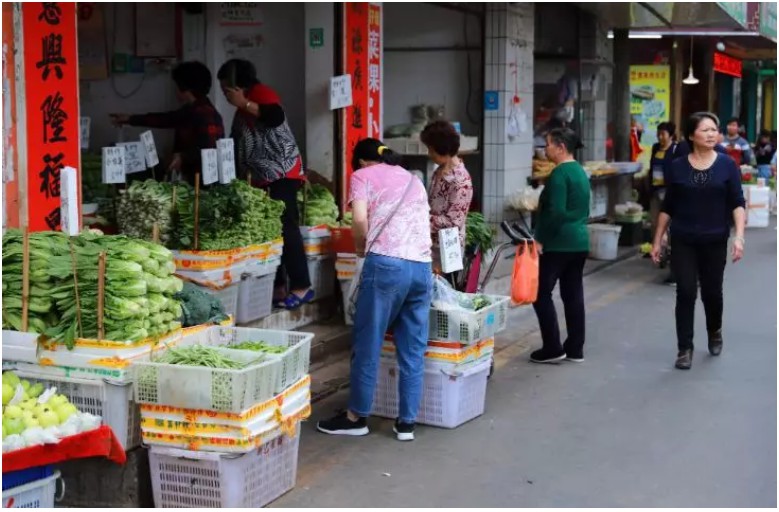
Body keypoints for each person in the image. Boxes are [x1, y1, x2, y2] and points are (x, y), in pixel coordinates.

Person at [317, 139, 432, 442]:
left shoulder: (362, 176)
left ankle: (356, 417)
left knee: (368, 340)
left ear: (362, 162)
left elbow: (358, 221)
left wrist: (359, 248)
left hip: (386, 265)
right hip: (421, 267)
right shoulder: (414, 179)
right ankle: (406, 423)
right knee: (412, 348)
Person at [651, 112, 746, 370]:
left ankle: (714, 330)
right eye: (705, 130)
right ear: (692, 135)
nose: (711, 134)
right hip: (683, 239)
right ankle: (685, 348)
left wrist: (739, 236)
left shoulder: (727, 165)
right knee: (686, 291)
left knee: (712, 293)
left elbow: (737, 203)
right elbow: (668, 206)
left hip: (715, 240)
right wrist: (657, 240)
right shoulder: (678, 166)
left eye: (714, 129)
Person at [216, 59, 312, 310]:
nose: (225, 95)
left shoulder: (261, 96)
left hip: (281, 174)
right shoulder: (242, 110)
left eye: (227, 89)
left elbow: (274, 116)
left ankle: (302, 286)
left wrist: (244, 103)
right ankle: (278, 285)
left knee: (286, 228)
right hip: (259, 179)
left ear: (238, 87)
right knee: (271, 232)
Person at [530, 128, 591, 364]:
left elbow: (555, 213)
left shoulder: (559, 174)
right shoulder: (579, 172)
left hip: (558, 243)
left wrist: (540, 239)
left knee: (541, 293)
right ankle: (575, 347)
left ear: (560, 147)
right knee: (573, 294)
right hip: (579, 240)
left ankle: (552, 347)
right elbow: (583, 209)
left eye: (547, 145)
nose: (545, 149)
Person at [110, 61, 224, 185]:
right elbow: (166, 119)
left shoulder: (205, 114)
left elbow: (209, 147)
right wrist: (130, 119)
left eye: (176, 85)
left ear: (184, 87)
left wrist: (183, 157)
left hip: (203, 183)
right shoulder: (190, 110)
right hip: (190, 178)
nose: (175, 90)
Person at [421, 120, 473, 274]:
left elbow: (453, 221)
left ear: (443, 149)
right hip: (431, 244)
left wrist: (421, 219)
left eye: (431, 150)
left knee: (443, 293)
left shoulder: (461, 180)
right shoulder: (439, 171)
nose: (429, 154)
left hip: (448, 247)